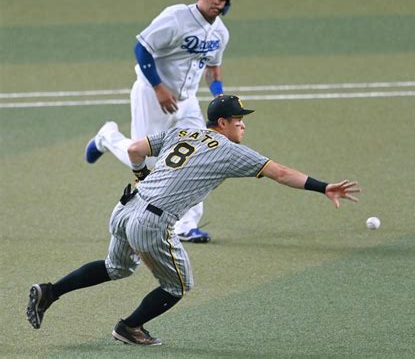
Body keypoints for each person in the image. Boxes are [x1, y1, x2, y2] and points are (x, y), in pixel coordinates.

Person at [27, 95, 361, 346]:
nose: (243, 124)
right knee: (178, 285)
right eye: (238, 119)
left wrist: (142, 176)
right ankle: (129, 327)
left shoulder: (182, 132)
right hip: (150, 223)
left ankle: (50, 292)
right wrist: (323, 187)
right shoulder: (230, 151)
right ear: (222, 123)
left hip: (125, 208)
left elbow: (134, 149)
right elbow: (282, 173)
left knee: (117, 268)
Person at [84, 0, 233, 243]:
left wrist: (220, 98)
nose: (216, 1)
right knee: (149, 159)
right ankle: (108, 137)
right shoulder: (177, 17)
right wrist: (158, 87)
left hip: (187, 102)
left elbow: (213, 70)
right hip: (152, 95)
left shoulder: (220, 32)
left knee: (199, 154)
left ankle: (186, 225)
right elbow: (142, 48)